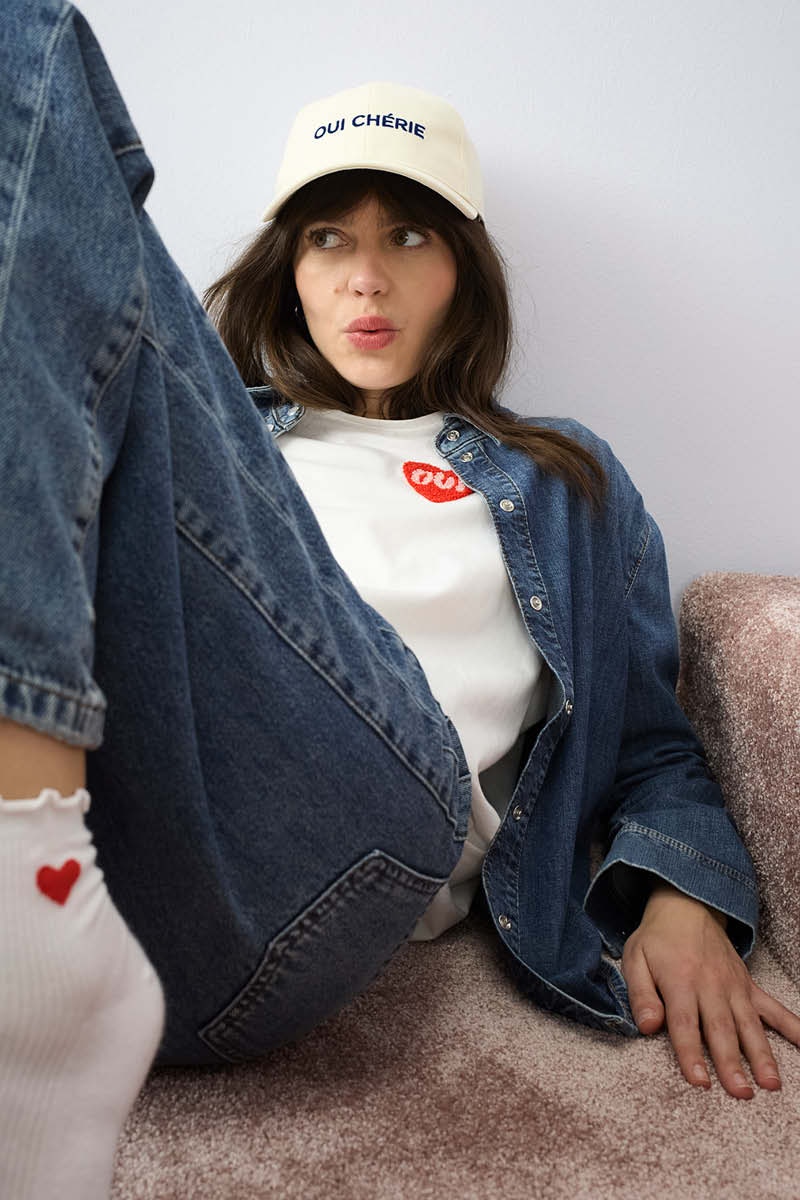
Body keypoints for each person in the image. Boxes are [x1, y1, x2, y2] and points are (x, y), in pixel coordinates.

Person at [1, 4, 798, 1197]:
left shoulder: (557, 479)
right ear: (291, 267)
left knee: (33, 41)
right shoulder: (220, 450)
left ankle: (29, 895)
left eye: (409, 235)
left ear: (461, 270)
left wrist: (681, 893)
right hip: (144, 833)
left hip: (350, 855)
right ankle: (36, 882)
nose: (366, 278)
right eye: (328, 238)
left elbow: (648, 743)